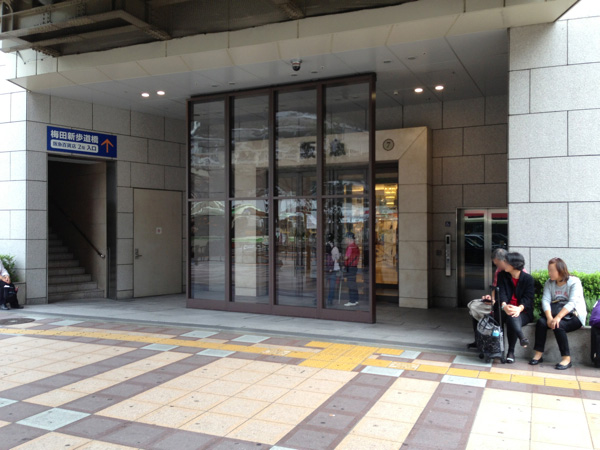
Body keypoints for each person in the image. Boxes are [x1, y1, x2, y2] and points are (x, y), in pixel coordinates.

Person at [529, 258, 587, 370]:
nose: (549, 273)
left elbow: (572, 302)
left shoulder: (574, 282)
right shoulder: (549, 283)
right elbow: (545, 300)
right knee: (541, 322)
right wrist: (549, 317)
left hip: (575, 316)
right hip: (555, 313)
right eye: (549, 270)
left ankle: (566, 359)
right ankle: (538, 354)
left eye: (551, 270)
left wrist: (558, 318)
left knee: (558, 325)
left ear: (560, 270)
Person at [496, 252, 535, 363]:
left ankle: (511, 351)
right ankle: (519, 341)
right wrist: (504, 306)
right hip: (505, 309)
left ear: (514, 265)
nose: (504, 264)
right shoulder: (502, 275)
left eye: (506, 262)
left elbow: (528, 298)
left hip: (523, 311)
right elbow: (501, 293)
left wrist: (519, 308)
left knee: (512, 317)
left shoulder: (528, 279)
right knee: (510, 315)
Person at [467, 248, 508, 349]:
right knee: (474, 307)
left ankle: (485, 340)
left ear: (504, 260)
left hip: (506, 305)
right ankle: (479, 340)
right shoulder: (499, 271)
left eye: (498, 264)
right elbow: (494, 288)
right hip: (497, 302)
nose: (497, 267)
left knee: (478, 310)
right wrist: (491, 298)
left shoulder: (515, 271)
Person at [343, 232, 360, 307]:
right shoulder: (356, 246)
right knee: (353, 284)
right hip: (354, 266)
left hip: (350, 267)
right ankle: (355, 299)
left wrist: (342, 258)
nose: (345, 240)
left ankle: (352, 300)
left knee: (350, 284)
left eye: (346, 238)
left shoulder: (350, 247)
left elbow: (346, 257)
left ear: (349, 239)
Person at [325, 233, 341, 306]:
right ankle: (330, 299)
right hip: (334, 269)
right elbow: (337, 258)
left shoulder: (323, 246)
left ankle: (319, 299)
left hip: (326, 268)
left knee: (322, 285)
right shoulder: (335, 248)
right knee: (332, 286)